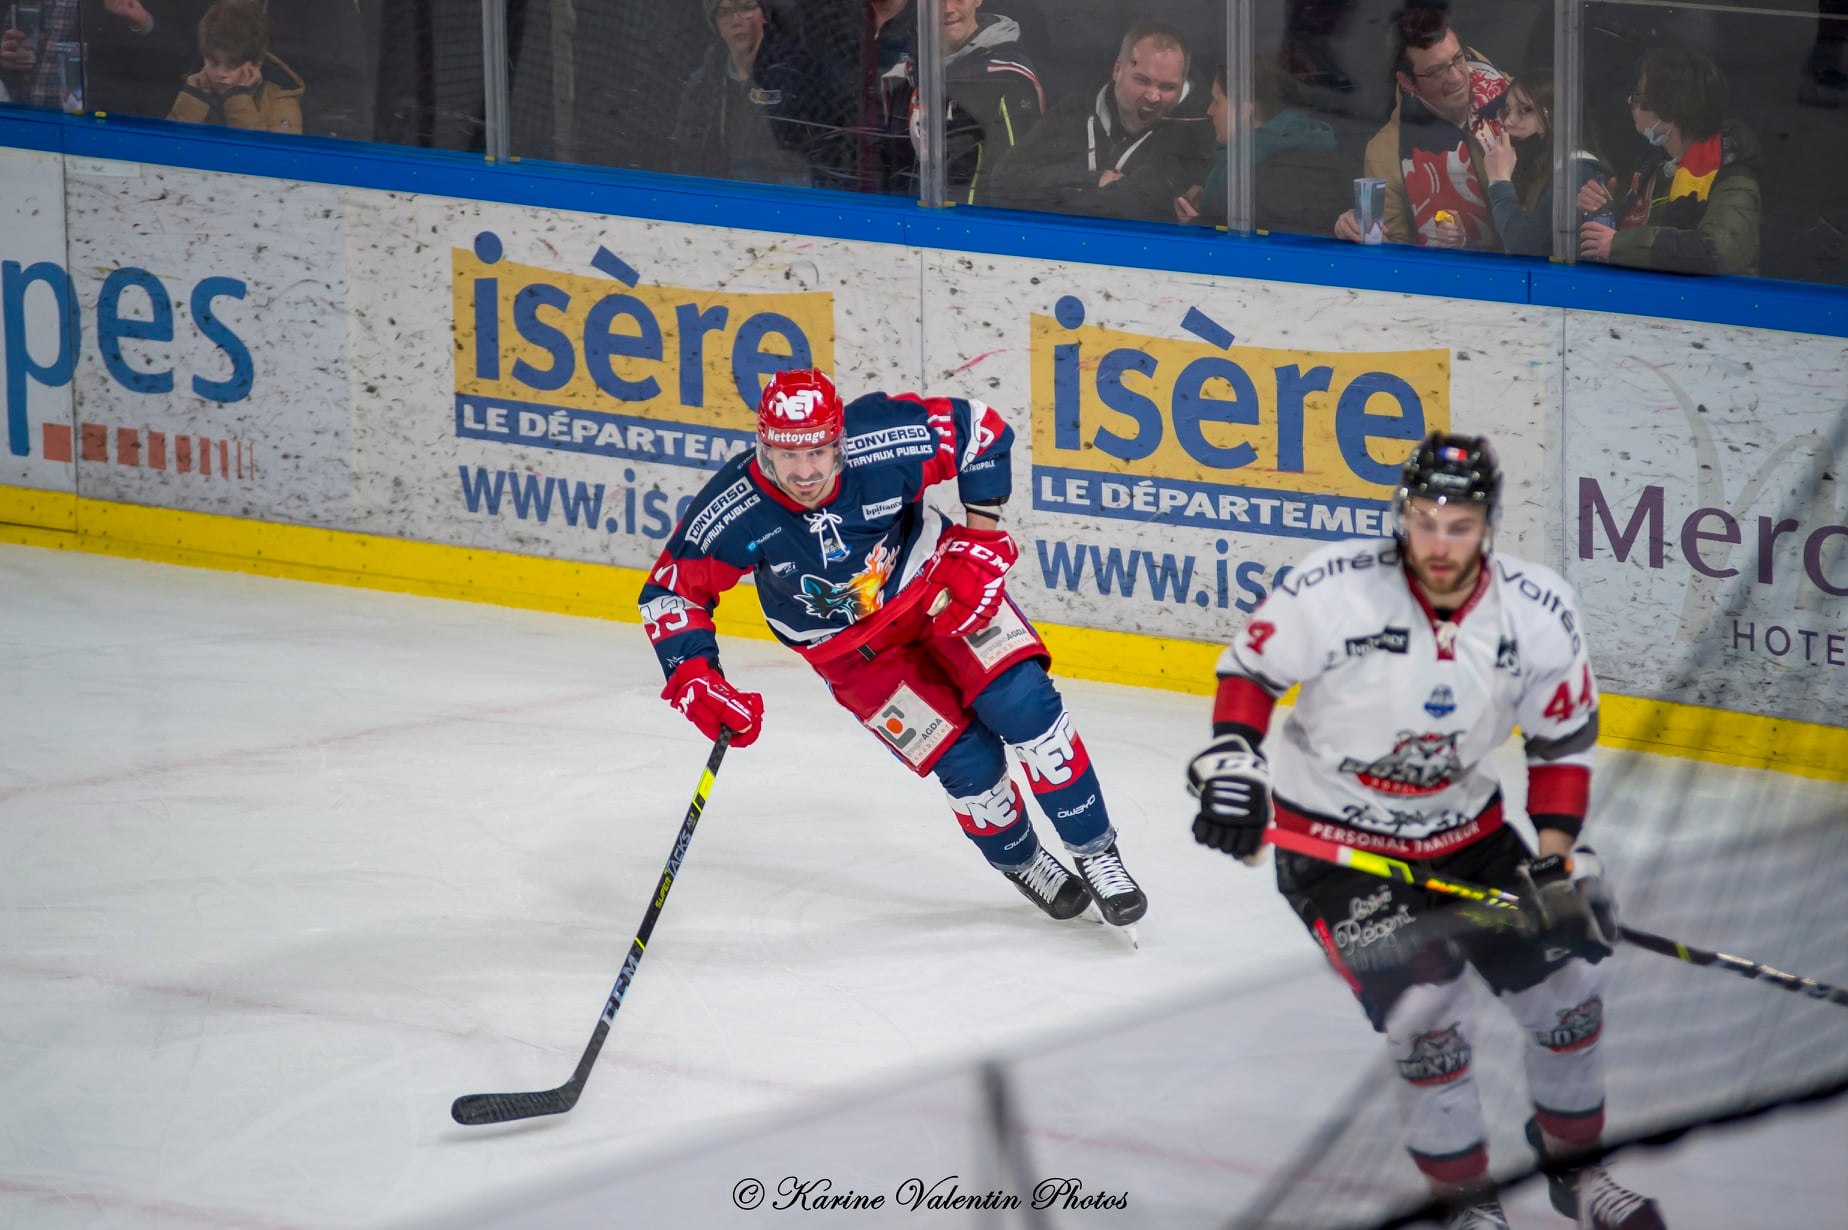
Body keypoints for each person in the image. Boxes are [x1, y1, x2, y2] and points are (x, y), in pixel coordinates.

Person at [1186, 435, 1664, 1230]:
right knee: (1427, 1016)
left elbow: (1560, 747)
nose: (1440, 543)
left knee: (1568, 995)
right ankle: (1465, 1200)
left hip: (1469, 840)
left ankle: (1573, 1169)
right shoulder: (1331, 588)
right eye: (1426, 520)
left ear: (1490, 525)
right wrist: (1234, 760)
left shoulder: (1538, 610)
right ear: (1402, 514)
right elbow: (1249, 676)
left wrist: (1556, 862)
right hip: (1336, 849)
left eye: (1461, 525)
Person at [639, 369, 1148, 933]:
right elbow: (670, 592)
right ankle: (1024, 860)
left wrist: (979, 539)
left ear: (839, 440)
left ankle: (1097, 852)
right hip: (849, 650)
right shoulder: (734, 505)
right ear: (763, 445)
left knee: (1024, 706)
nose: (804, 472)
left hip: (941, 589)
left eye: (817, 451)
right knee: (967, 763)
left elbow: (981, 432)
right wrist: (692, 676)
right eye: (786, 455)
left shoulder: (885, 434)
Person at [981, 19, 1210, 222]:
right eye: (1142, 80)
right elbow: (1004, 184)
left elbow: (1178, 216)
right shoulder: (1075, 109)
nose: (1153, 96)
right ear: (1118, 70)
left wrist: (1072, 196)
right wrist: (1094, 180)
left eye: (1168, 87)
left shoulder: (1200, 127)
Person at [1333, 7, 1508, 251]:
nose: (1457, 77)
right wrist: (1355, 229)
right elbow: (1393, 252)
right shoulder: (1386, 152)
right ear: (1406, 81)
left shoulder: (1514, 97)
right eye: (1437, 71)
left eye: (1458, 59)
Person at [1577, 47, 1760, 277]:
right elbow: (1637, 232)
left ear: (1668, 109)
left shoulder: (1732, 176)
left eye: (1639, 95)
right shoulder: (1653, 168)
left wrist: (1619, 245)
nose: (1630, 101)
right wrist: (1604, 209)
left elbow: (1721, 254)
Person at [886, 0, 1045, 203]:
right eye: (937, 2)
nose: (948, 9)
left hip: (973, 225)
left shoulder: (1008, 77)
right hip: (912, 220)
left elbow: (1016, 180)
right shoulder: (908, 71)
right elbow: (892, 164)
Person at [1176, 58, 1343, 235]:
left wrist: (1198, 226)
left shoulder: (1275, 176)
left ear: (1244, 112)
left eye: (1216, 101)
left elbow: (1263, 249)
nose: (1209, 110)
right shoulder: (1281, 157)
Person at [670, 0, 813, 188]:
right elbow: (686, 154)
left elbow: (818, 153)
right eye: (724, 12)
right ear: (715, 24)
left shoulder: (797, 75)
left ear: (764, 15)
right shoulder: (702, 83)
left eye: (746, 8)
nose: (735, 20)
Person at [1477, 69, 1608, 258]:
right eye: (1508, 110)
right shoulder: (1536, 169)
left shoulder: (1578, 173)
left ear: (1554, 117)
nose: (1509, 121)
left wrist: (1499, 182)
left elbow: (1526, 246)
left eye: (1523, 110)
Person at [166, 0, 303, 133]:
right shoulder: (192, 89)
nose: (221, 73)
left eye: (232, 65)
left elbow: (270, 154)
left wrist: (238, 99)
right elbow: (168, 147)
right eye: (213, 62)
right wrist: (192, 99)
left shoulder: (281, 100)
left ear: (256, 64)